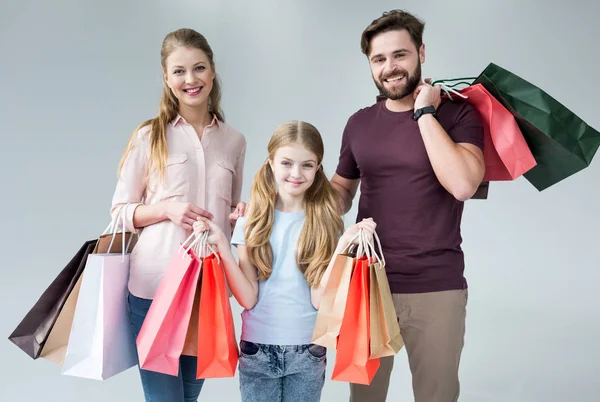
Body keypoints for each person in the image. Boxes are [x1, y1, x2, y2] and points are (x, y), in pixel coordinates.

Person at [330, 10, 485, 402]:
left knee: (437, 396)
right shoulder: (359, 123)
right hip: (367, 282)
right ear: (369, 64)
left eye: (400, 55)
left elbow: (464, 184)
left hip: (435, 285)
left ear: (421, 53)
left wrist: (425, 112)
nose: (390, 68)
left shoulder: (458, 113)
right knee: (364, 398)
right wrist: (283, 202)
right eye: (379, 59)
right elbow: (340, 193)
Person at [193, 120, 377, 402]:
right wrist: (221, 243)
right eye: (287, 163)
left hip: (308, 351)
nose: (296, 173)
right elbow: (248, 297)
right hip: (257, 350)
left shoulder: (327, 222)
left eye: (307, 165)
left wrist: (342, 250)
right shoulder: (250, 220)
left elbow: (319, 300)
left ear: (318, 168)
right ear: (271, 164)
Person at [110, 28, 247, 402]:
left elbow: (229, 217)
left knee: (188, 397)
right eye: (180, 71)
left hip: (208, 288)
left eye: (199, 68)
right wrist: (166, 209)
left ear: (213, 71)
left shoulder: (234, 141)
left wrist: (241, 215)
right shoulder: (149, 136)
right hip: (154, 288)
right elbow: (120, 212)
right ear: (167, 79)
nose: (191, 79)